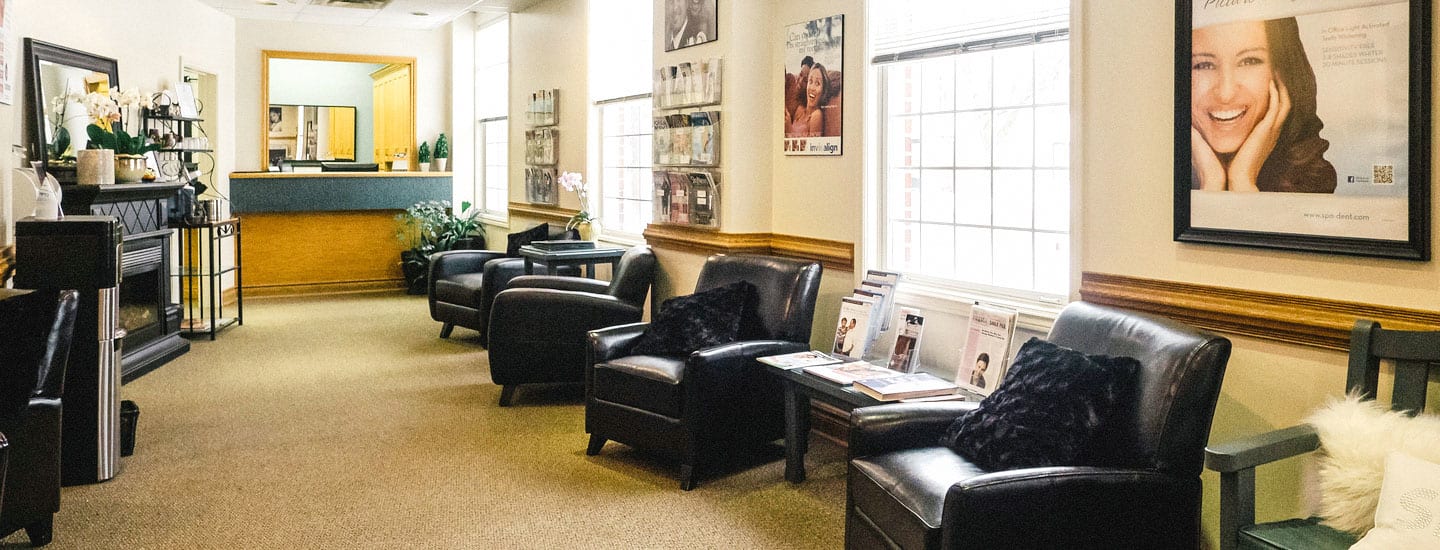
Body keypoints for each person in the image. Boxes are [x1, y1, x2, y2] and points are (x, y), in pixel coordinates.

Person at [1190, 17, 1335, 193]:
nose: (1225, 93)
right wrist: (1211, 182)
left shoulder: (1312, 184)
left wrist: (1242, 180)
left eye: (1249, 61)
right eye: (1204, 65)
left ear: (1282, 75)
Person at [789, 62, 831, 138]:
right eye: (810, 81)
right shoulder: (799, 110)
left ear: (823, 90)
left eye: (817, 83)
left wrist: (788, 130)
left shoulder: (817, 115)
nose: (812, 88)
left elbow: (812, 148)